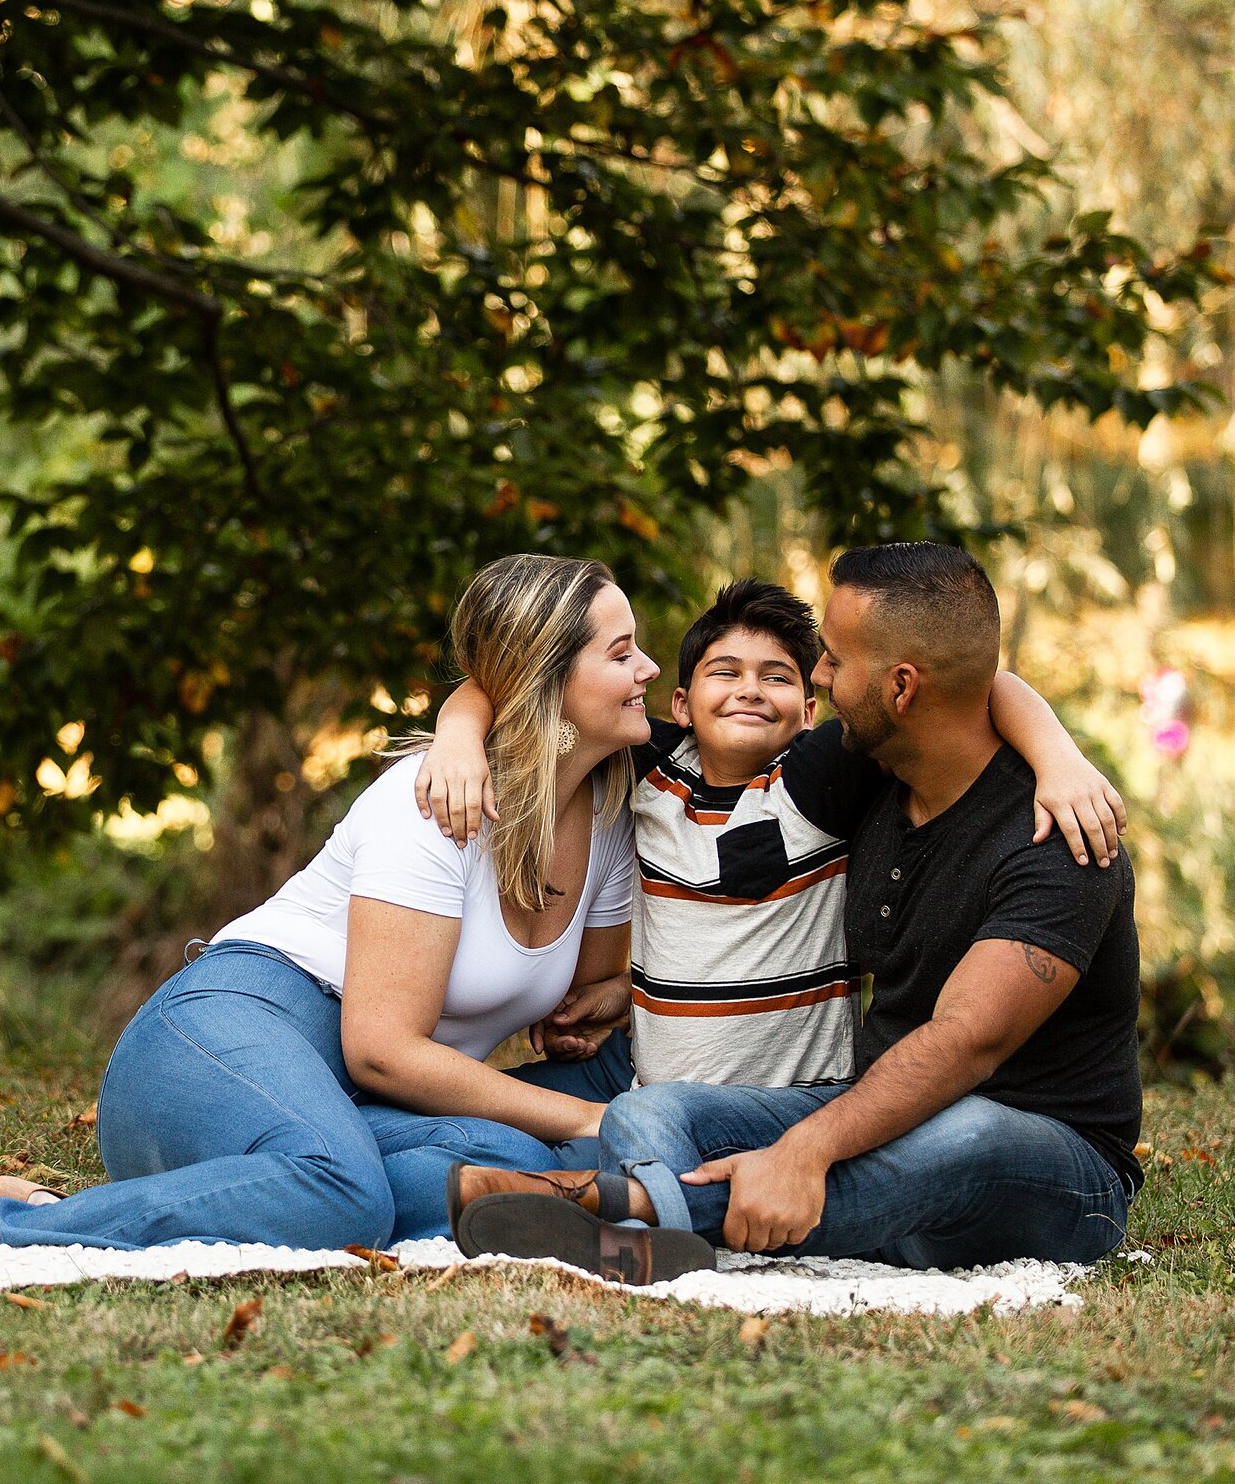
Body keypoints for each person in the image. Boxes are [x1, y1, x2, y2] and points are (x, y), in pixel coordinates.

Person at [0, 553, 712, 1285]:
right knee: (346, 1188)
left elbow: (589, 997)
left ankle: (169, 1198)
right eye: (622, 651)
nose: (646, 671)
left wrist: (605, 1010)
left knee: (509, 1168)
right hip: (227, 1032)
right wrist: (582, 1120)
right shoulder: (435, 804)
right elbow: (380, 1045)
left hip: (360, 1101)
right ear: (546, 679)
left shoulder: (608, 812)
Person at [454, 544, 1144, 1270]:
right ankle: (678, 1238)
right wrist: (458, 731)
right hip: (874, 1125)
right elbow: (982, 681)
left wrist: (806, 1149)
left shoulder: (1059, 837)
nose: (818, 674)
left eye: (835, 661)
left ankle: (626, 1209)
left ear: (902, 689)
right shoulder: (881, 780)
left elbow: (964, 1043)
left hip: (1052, 1174)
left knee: (968, 1132)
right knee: (648, 1109)